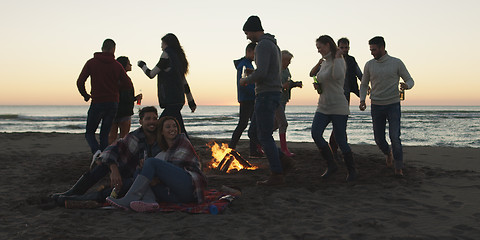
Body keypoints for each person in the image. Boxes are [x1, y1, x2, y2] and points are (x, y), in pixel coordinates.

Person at [50, 106, 162, 205]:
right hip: (125, 171)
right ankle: (72, 192)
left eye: (154, 118)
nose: (152, 122)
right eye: (148, 119)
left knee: (124, 186)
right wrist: (114, 169)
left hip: (139, 179)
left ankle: (77, 199)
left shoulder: (161, 138)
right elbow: (111, 149)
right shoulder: (134, 137)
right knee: (103, 165)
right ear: (141, 121)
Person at [106, 116, 207, 212]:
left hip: (189, 188)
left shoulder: (183, 142)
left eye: (174, 126)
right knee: (140, 169)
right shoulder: (162, 152)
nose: (172, 129)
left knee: (150, 162)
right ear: (162, 132)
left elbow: (176, 168)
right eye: (168, 127)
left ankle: (128, 199)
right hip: (175, 196)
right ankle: (149, 201)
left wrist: (157, 179)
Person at [240, 15, 294, 186]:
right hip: (271, 92)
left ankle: (277, 174)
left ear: (253, 30)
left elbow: (262, 72)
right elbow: (268, 71)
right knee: (253, 133)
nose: (247, 36)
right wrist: (253, 74)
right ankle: (282, 160)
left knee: (263, 135)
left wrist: (245, 80)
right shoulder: (273, 45)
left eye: (247, 33)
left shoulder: (262, 45)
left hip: (266, 94)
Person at [359, 36, 414, 177]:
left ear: (382, 48)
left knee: (395, 137)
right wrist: (362, 99)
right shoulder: (369, 65)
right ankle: (388, 153)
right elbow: (364, 84)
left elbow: (410, 79)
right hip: (376, 105)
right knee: (379, 139)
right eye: (370, 50)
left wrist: (407, 85)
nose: (372, 52)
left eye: (374, 49)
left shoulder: (396, 63)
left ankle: (398, 168)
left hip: (393, 105)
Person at [310, 35, 357, 182]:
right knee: (316, 133)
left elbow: (337, 76)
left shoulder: (340, 61)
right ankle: (331, 164)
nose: (318, 50)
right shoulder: (324, 63)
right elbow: (319, 77)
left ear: (328, 45)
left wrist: (337, 56)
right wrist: (319, 85)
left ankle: (352, 171)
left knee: (341, 140)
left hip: (338, 106)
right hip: (323, 105)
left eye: (320, 47)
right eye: (317, 48)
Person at [76, 39, 131, 160]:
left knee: (90, 133)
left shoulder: (91, 63)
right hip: (112, 103)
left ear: (102, 48)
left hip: (97, 102)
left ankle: (96, 152)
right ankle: (105, 157)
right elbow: (128, 84)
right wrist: (116, 88)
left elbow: (80, 82)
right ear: (113, 49)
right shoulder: (117, 66)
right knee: (104, 135)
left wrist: (85, 95)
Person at [137, 33, 196, 138]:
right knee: (179, 128)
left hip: (170, 98)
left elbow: (151, 74)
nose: (161, 46)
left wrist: (142, 65)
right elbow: (184, 82)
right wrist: (191, 102)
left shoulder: (166, 54)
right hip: (179, 100)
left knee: (160, 126)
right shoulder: (179, 58)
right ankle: (186, 149)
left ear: (167, 43)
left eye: (162, 43)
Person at [229, 42, 257, 151]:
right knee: (243, 124)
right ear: (249, 52)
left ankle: (253, 150)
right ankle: (232, 147)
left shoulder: (248, 64)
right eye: (255, 53)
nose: (256, 56)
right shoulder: (244, 65)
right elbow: (243, 83)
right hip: (247, 99)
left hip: (249, 98)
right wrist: (254, 93)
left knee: (252, 124)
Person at [108, 56, 143, 144]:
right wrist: (136, 98)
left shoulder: (112, 78)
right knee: (124, 137)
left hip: (112, 110)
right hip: (124, 111)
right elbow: (125, 98)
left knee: (112, 137)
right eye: (128, 63)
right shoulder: (125, 79)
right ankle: (121, 154)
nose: (130, 65)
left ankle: (109, 152)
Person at [274, 50, 301, 157]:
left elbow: (288, 83)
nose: (289, 63)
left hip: (284, 99)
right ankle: (284, 149)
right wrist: (282, 86)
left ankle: (260, 138)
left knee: (276, 124)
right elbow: (275, 84)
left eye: (290, 61)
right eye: (287, 61)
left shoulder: (287, 70)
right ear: (281, 60)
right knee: (283, 123)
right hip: (276, 99)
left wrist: (295, 84)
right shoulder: (276, 70)